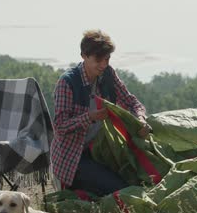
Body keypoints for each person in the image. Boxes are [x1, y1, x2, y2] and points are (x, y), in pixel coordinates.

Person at [51, 29, 151, 196]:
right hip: (74, 159)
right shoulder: (67, 83)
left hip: (102, 151)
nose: (103, 64)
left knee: (139, 177)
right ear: (84, 55)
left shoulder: (108, 74)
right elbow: (59, 127)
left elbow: (131, 101)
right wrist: (89, 117)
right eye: (98, 59)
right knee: (120, 190)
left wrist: (140, 118)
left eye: (107, 59)